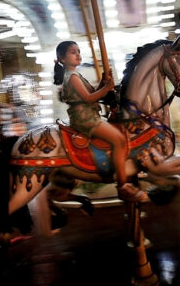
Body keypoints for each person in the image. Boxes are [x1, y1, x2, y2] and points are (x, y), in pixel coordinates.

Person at [54, 41, 147, 203]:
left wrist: (103, 82)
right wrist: (107, 87)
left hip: (89, 115)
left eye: (78, 51)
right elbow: (89, 98)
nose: (78, 54)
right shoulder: (72, 77)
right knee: (118, 139)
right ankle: (123, 185)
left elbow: (92, 92)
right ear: (62, 59)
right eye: (72, 52)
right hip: (85, 118)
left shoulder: (76, 75)